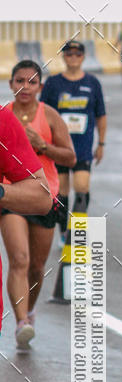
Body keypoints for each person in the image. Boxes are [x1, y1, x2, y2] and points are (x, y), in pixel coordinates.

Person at [1, 61, 75, 347]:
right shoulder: (4, 116)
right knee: (19, 258)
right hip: (10, 196)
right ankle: (21, 321)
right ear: (10, 84)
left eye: (31, 82)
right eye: (19, 80)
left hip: (45, 197)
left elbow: (70, 157)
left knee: (36, 266)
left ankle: (29, 310)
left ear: (40, 87)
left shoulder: (50, 117)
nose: (25, 87)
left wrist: (42, 146)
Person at [41, 40, 106, 235]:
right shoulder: (53, 83)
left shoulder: (92, 83)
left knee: (82, 186)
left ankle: (78, 231)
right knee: (61, 191)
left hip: (83, 147)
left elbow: (101, 115)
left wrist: (101, 143)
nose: (73, 58)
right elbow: (42, 114)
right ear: (63, 56)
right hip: (59, 147)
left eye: (78, 54)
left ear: (84, 57)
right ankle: (63, 232)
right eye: (69, 54)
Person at [0, 106, 54, 340]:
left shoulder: (2, 120)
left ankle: (25, 315)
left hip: (29, 197)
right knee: (21, 258)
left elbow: (42, 196)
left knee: (32, 263)